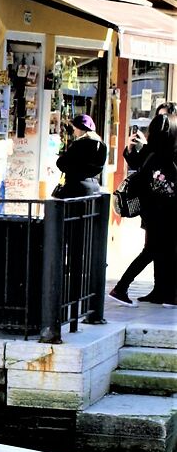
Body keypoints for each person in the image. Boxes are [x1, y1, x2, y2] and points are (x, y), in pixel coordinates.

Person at [112, 105, 177, 304]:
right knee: (154, 252)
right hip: (163, 215)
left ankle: (162, 292)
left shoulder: (153, 152)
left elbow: (134, 161)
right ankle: (121, 287)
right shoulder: (166, 155)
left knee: (159, 252)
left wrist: (131, 149)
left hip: (153, 214)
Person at [54, 109, 107, 197]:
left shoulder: (79, 144)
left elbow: (61, 163)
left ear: (81, 129)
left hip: (75, 187)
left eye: (75, 128)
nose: (74, 132)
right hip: (94, 188)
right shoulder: (102, 145)